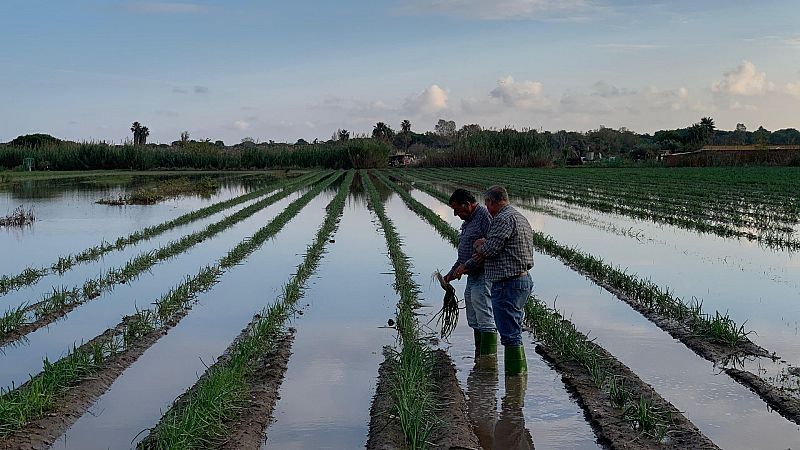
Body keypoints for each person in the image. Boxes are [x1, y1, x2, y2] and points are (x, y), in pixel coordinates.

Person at [473, 185, 534, 376]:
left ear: (492, 202)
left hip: (508, 283)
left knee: (510, 335)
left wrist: (479, 245)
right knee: (513, 331)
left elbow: (491, 249)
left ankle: (515, 382)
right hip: (522, 280)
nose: (487, 209)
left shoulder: (502, 219)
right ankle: (516, 385)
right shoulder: (519, 217)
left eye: (487, 204)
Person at [443, 188, 497, 357]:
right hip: (472, 275)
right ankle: (479, 355)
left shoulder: (484, 217)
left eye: (457, 209)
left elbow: (491, 247)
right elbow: (465, 254)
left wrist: (465, 266)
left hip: (484, 274)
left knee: (484, 316)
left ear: (467, 204)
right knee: (474, 317)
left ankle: (488, 360)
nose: (455, 214)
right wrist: (451, 274)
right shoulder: (468, 222)